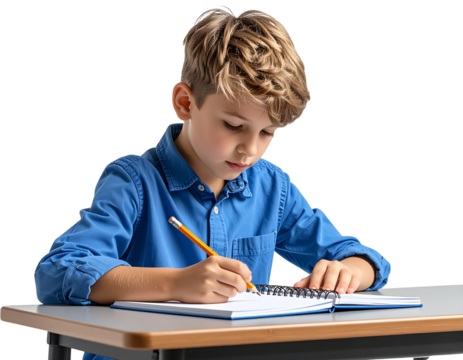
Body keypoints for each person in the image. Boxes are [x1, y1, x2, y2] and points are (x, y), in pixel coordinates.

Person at [35, 5, 390, 359]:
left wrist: (349, 272)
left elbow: (360, 256)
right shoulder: (133, 182)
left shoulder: (271, 187)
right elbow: (57, 271)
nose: (250, 150)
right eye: (233, 126)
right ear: (185, 103)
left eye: (268, 132)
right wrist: (175, 285)